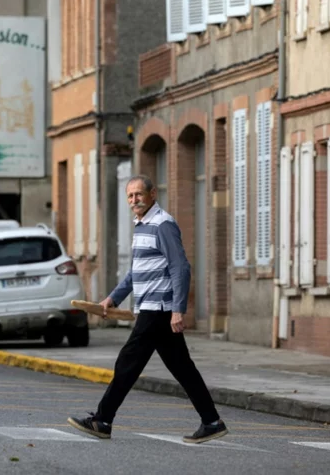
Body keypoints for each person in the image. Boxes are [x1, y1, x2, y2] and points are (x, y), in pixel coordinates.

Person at [67, 174, 228, 444]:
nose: (134, 200)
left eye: (139, 194)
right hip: (150, 308)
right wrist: (113, 298)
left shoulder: (163, 224)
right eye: (130, 196)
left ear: (153, 194)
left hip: (158, 308)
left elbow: (180, 267)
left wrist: (178, 310)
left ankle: (103, 420)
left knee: (127, 362)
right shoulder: (142, 225)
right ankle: (211, 421)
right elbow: (135, 272)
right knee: (182, 368)